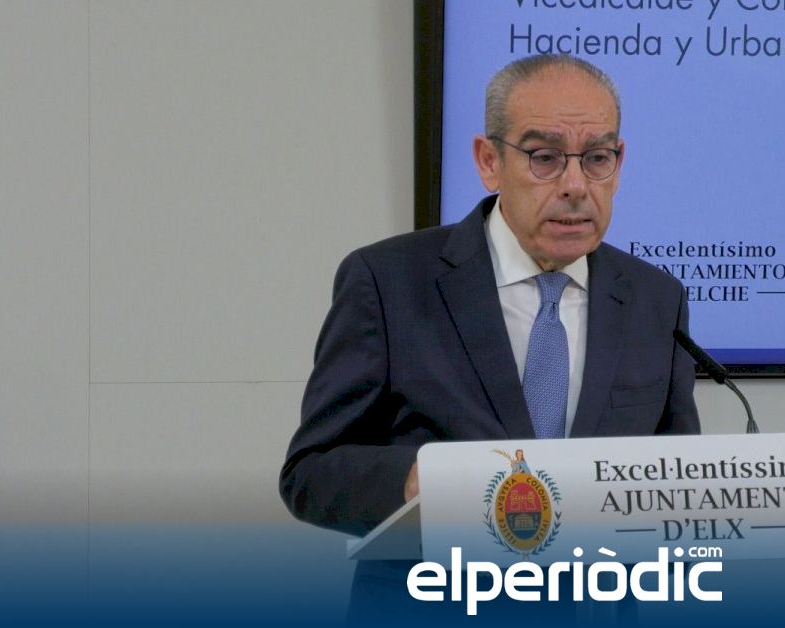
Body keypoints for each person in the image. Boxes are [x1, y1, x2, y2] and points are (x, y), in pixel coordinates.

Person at [278, 54, 700, 618]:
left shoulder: (655, 298)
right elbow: (310, 473)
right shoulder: (388, 281)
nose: (576, 185)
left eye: (597, 159)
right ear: (488, 161)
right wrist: (412, 481)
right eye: (545, 158)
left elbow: (676, 481)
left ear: (618, 163)